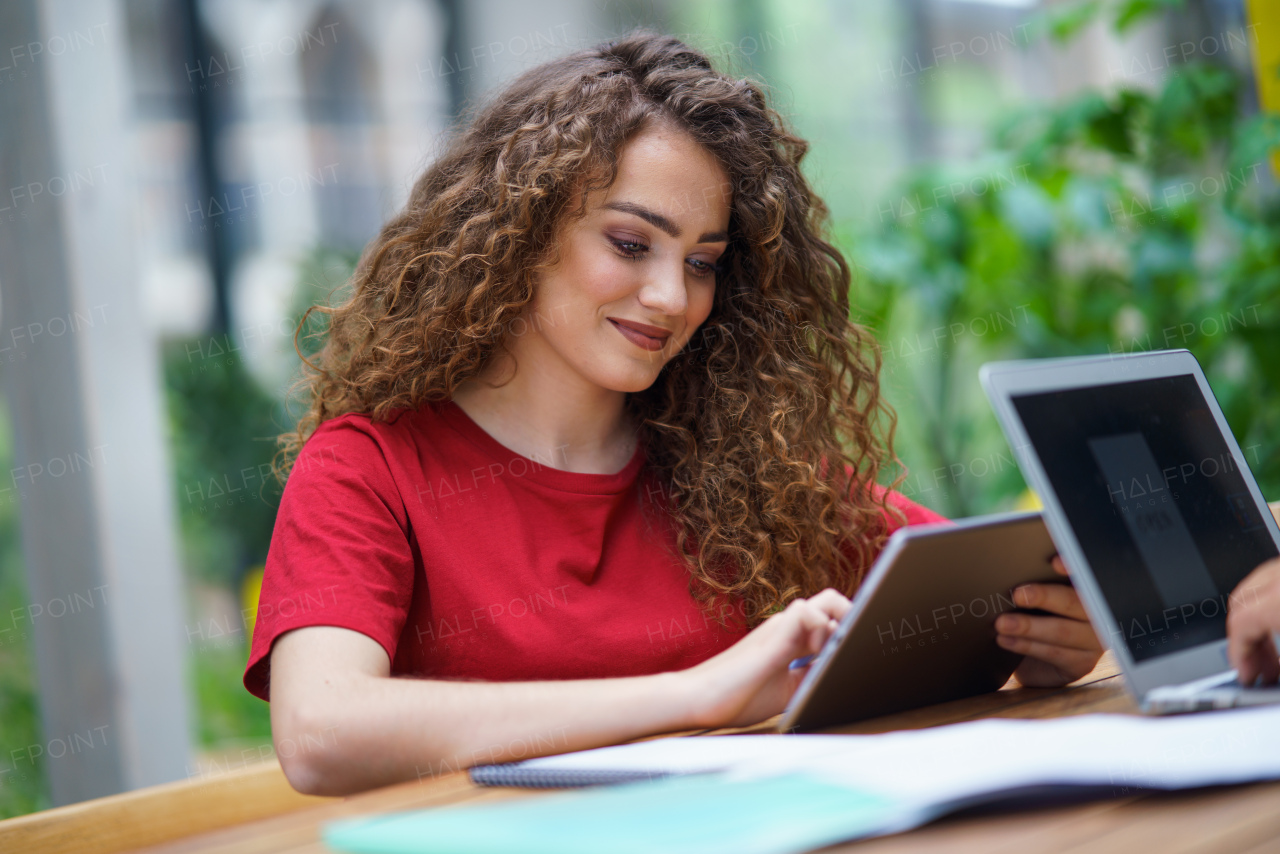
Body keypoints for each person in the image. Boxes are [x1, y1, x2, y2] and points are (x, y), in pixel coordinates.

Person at [243, 30, 1102, 797]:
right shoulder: (367, 465)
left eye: (703, 262)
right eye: (629, 243)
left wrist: (1043, 637)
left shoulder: (743, 467)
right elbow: (323, 734)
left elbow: (966, 584)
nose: (670, 297)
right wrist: (702, 694)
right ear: (520, 229)